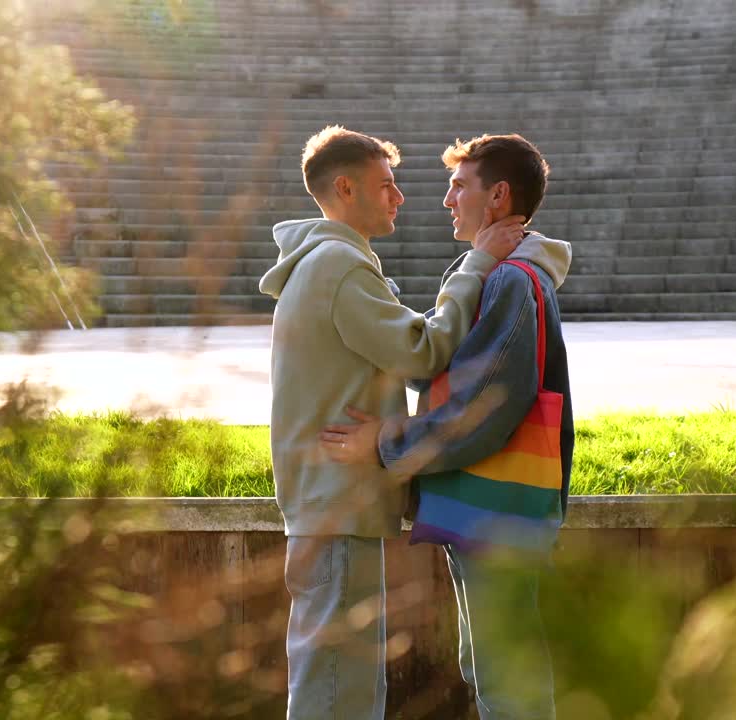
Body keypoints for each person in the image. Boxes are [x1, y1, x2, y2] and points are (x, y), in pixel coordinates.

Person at [257, 125, 526, 720]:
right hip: (337, 503)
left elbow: (404, 353)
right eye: (387, 185)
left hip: (331, 503)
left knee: (337, 682)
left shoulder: (328, 264)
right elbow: (424, 353)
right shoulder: (339, 268)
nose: (399, 197)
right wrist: (477, 263)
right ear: (346, 188)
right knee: (338, 690)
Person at [318, 133, 573, 720]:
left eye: (460, 186)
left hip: (495, 511)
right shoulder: (494, 274)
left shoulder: (513, 281)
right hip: (480, 504)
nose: (446, 199)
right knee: (487, 668)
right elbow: (437, 371)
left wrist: (383, 442)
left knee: (507, 680)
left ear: (499, 196)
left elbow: (483, 408)